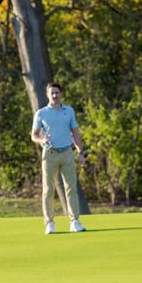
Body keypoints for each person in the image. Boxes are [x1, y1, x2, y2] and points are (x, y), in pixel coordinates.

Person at [31, 81, 87, 234]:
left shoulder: (69, 111)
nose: (55, 95)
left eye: (57, 92)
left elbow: (75, 132)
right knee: (48, 189)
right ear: (48, 95)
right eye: (52, 93)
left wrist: (80, 152)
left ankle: (74, 221)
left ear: (61, 94)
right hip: (50, 154)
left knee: (71, 188)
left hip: (67, 152)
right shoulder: (41, 113)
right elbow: (34, 135)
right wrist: (42, 140)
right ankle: (49, 222)